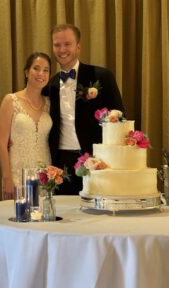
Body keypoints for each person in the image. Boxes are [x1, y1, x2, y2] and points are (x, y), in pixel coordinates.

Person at [44, 24, 124, 195]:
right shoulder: (49, 84)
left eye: (67, 44)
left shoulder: (101, 76)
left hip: (97, 160)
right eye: (57, 45)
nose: (62, 49)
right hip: (61, 164)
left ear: (78, 46)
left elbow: (120, 117)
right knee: (65, 217)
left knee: (97, 218)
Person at [0, 52, 52, 200]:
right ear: (27, 72)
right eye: (36, 68)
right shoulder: (11, 100)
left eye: (46, 70)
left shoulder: (49, 103)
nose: (41, 73)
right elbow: (1, 143)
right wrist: (7, 178)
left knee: (43, 219)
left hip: (44, 174)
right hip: (17, 173)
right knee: (17, 219)